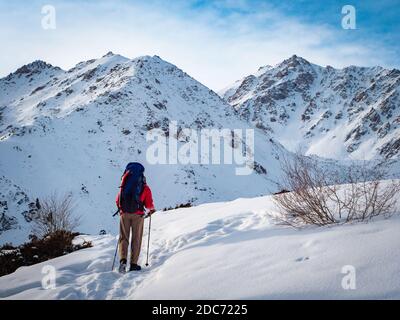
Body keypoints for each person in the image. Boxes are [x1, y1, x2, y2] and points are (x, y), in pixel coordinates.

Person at [116, 169, 155, 273]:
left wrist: (121, 209)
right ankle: (133, 264)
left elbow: (118, 200)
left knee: (124, 237)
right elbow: (149, 204)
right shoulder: (145, 187)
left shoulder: (124, 184)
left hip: (124, 214)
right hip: (138, 216)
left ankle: (123, 261)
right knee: (136, 239)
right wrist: (151, 210)